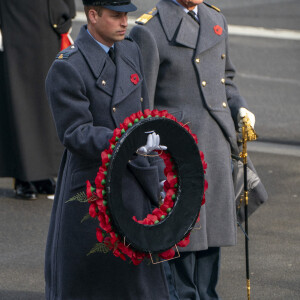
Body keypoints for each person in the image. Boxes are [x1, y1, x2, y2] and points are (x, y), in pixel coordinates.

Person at [130, 0, 256, 299]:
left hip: (214, 143)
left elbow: (225, 79)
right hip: (178, 152)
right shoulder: (150, 30)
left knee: (212, 235)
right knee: (183, 237)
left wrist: (239, 107)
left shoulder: (214, 18)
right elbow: (143, 101)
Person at [45, 0, 170, 299]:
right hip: (93, 184)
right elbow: (75, 133)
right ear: (93, 15)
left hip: (136, 180)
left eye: (125, 15)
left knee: (138, 281)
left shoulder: (130, 51)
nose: (124, 22)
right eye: (115, 16)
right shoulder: (67, 66)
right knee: (94, 279)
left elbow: (143, 109)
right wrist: (129, 138)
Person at [0, 0, 75, 199]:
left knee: (46, 95)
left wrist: (64, 10)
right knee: (19, 97)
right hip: (17, 17)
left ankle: (41, 172)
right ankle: (23, 174)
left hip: (47, 18)